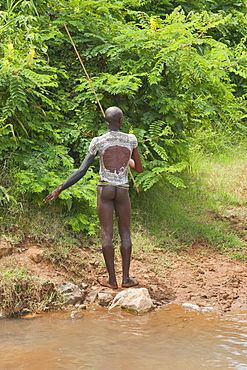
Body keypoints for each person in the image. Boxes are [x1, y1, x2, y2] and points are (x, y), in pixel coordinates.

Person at [44, 106, 143, 289]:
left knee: (107, 234)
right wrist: (127, 160)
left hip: (105, 188)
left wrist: (61, 187)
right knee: (125, 233)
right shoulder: (131, 140)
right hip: (122, 190)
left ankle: (112, 280)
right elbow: (139, 168)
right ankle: (126, 279)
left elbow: (82, 171)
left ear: (106, 122)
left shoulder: (98, 141)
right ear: (121, 121)